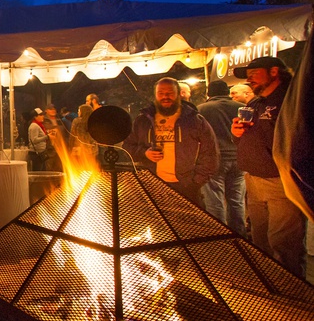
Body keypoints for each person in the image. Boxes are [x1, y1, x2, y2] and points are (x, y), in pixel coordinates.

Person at [231, 56, 306, 277]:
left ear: (274, 71)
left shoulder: (291, 100)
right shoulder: (255, 102)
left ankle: (292, 291)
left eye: (255, 73)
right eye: (248, 75)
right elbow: (247, 138)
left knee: (283, 242)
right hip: (254, 179)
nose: (249, 78)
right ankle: (268, 287)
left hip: (280, 180)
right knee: (259, 239)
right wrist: (236, 133)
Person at [123, 77, 218, 206]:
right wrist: (145, 153)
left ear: (179, 94)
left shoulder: (194, 120)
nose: (165, 96)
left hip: (185, 187)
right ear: (155, 95)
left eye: (170, 93)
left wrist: (195, 182)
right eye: (161, 93)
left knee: (190, 224)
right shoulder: (143, 121)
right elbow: (127, 147)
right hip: (153, 186)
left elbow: (211, 153)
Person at [198, 80, 246, 237]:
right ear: (227, 92)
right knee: (236, 199)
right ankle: (240, 236)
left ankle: (221, 238)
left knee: (215, 200)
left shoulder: (202, 109)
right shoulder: (241, 108)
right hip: (239, 158)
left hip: (215, 160)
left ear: (209, 94)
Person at [43, 103, 68, 171]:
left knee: (60, 169)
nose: (53, 110)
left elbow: (65, 133)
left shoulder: (60, 121)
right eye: (50, 109)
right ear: (46, 110)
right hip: (50, 149)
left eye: (54, 109)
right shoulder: (43, 121)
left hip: (61, 149)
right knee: (49, 169)